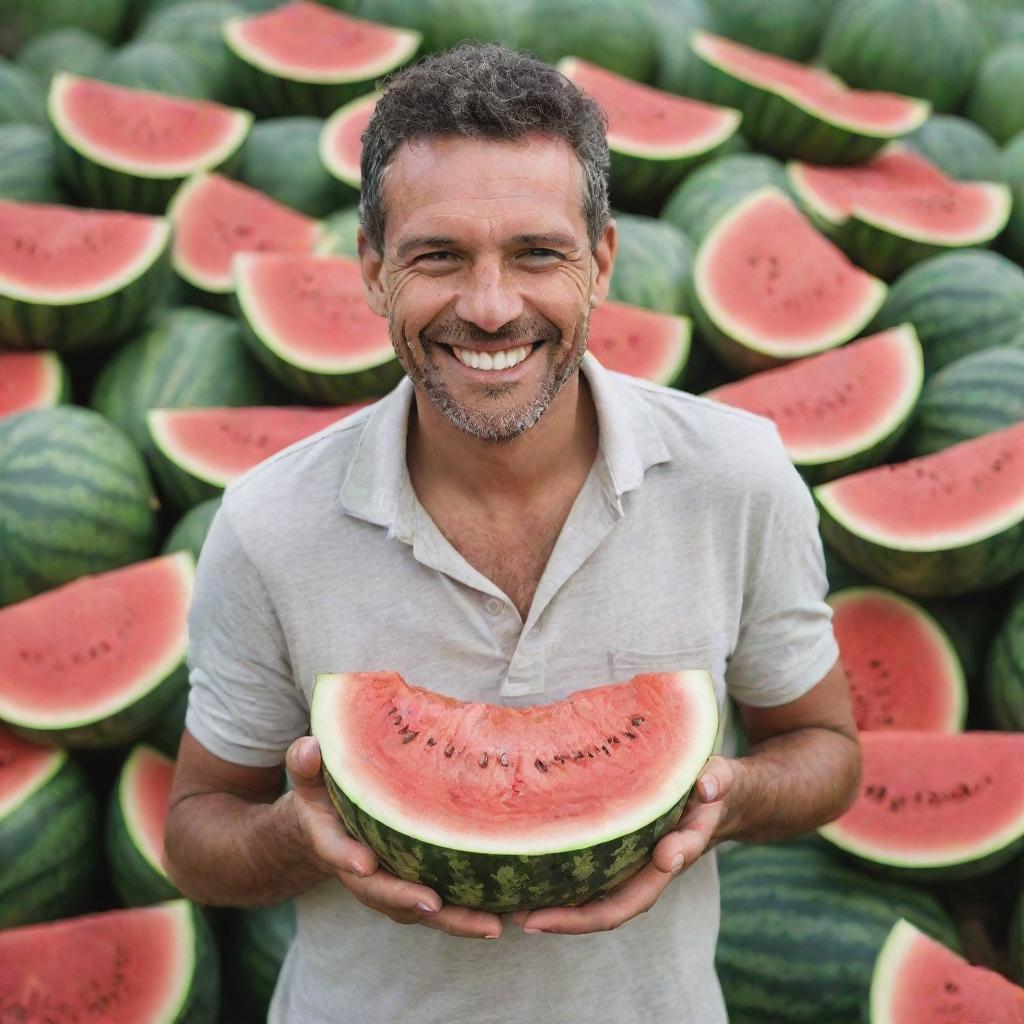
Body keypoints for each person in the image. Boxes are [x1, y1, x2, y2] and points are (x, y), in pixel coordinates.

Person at [164, 43, 861, 1024]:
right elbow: (197, 833)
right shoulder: (271, 522)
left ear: (601, 262)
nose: (490, 308)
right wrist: (295, 832)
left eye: (537, 253)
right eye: (437, 256)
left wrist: (727, 795)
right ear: (372, 270)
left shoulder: (733, 475)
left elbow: (826, 748)